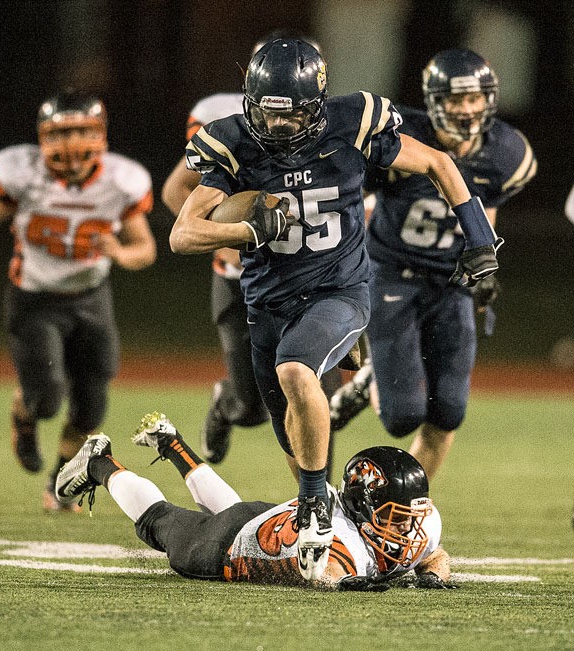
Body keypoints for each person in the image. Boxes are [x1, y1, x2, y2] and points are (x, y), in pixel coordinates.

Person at [168, 38, 502, 581]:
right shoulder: (231, 143)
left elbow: (439, 163)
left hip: (339, 290)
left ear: (317, 103)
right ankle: (352, 528)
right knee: (293, 436)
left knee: (296, 369)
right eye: (266, 114)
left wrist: (480, 239)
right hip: (268, 302)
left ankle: (315, 510)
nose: (277, 128)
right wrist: (248, 228)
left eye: (290, 115)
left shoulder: (352, 122)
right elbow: (184, 234)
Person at [329, 49, 536, 479]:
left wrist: (484, 264)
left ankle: (411, 508)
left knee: (449, 412)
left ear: (490, 100)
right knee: (402, 416)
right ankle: (372, 379)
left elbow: (486, 208)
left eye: (474, 99)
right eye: (456, 100)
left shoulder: (506, 151)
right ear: (433, 101)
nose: (466, 110)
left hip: (451, 280)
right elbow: (353, 193)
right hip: (392, 273)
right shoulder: (405, 137)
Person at [0, 90, 156, 511]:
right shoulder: (22, 174)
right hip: (35, 298)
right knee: (47, 397)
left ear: (100, 135)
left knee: (90, 405)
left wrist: (120, 253)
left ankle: (59, 482)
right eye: (62, 135)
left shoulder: (121, 181)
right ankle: (24, 413)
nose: (70, 147)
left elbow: (145, 248)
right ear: (42, 138)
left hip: (91, 297)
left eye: (81, 132)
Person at [161, 32, 342, 467]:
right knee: (253, 407)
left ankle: (316, 503)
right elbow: (176, 191)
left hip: (310, 282)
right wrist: (230, 241)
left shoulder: (337, 121)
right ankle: (227, 404)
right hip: (244, 279)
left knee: (318, 394)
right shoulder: (222, 119)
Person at [55, 410, 455, 590]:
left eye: (412, 514)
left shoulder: (415, 525)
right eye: (396, 516)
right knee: (159, 521)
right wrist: (356, 585)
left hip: (255, 516)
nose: (410, 526)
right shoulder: (342, 540)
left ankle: (173, 445)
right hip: (222, 551)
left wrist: (434, 575)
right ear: (364, 507)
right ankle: (99, 464)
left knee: (228, 512)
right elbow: (328, 575)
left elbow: (433, 553)